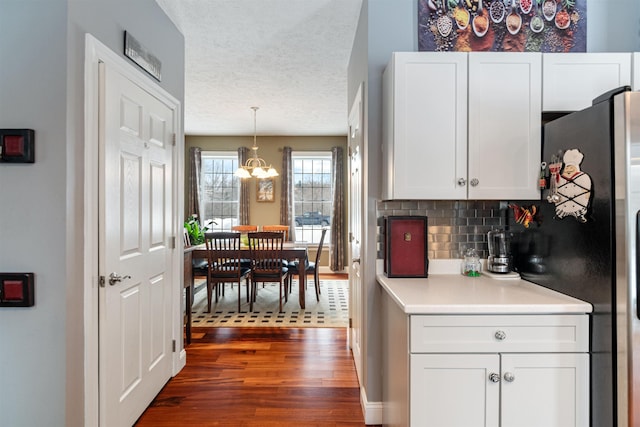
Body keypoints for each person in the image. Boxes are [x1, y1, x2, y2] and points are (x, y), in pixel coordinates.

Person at [554, 149, 592, 223]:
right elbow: (557, 185)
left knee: (578, 208)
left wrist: (586, 195)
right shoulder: (562, 178)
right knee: (562, 208)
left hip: (578, 203)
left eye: (571, 167)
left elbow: (586, 188)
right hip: (563, 203)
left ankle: (579, 215)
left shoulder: (583, 177)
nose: (568, 170)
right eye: (567, 168)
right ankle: (560, 214)